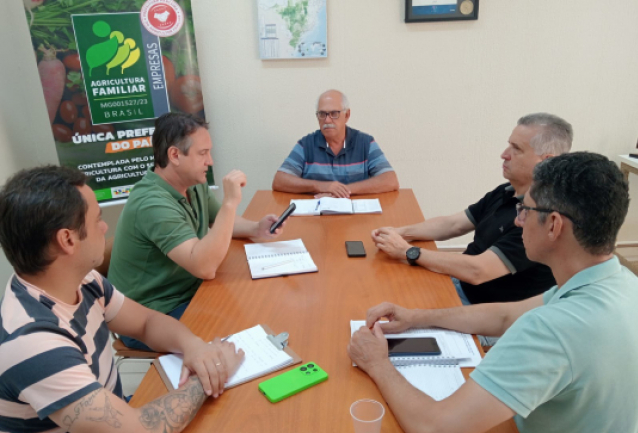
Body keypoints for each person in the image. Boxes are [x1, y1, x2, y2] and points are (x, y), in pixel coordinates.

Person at [349, 152, 638, 433]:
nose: (517, 221)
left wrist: (377, 363)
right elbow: (504, 315)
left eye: (525, 210)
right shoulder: (621, 282)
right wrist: (415, 317)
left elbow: (434, 426)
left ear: (553, 225)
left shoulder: (552, 330)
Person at [0, 166, 245, 433]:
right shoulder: (33, 344)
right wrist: (212, 373)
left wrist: (194, 346)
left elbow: (146, 322)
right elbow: (140, 429)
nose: (105, 227)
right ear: (67, 240)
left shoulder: (83, 280)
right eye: (97, 220)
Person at [109, 113, 284, 349]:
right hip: (152, 314)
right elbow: (205, 267)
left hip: (187, 291)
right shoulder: (151, 203)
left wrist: (255, 228)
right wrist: (231, 202)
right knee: (248, 332)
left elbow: (219, 220)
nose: (210, 161)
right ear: (174, 155)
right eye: (203, 153)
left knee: (262, 301)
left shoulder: (192, 184)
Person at [372, 113, 572, 305]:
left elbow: (479, 271)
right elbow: (453, 224)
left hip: (484, 312)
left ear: (546, 161)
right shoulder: (508, 190)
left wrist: (408, 252)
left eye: (516, 149)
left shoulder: (541, 217)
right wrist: (400, 233)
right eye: (508, 145)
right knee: (382, 288)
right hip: (460, 284)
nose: (504, 155)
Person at [272, 89, 399, 198]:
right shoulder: (305, 145)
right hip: (316, 218)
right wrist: (321, 186)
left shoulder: (365, 143)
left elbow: (390, 180)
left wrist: (343, 190)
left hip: (357, 216)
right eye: (322, 114)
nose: (327, 120)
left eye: (334, 114)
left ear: (347, 115)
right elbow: (279, 181)